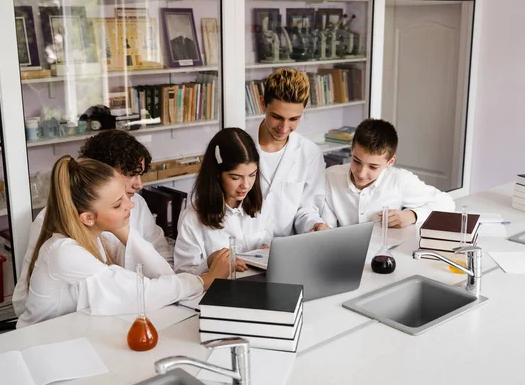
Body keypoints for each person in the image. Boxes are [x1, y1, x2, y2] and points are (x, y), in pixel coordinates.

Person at [16, 156, 230, 328]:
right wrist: (205, 280)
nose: (131, 205)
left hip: (69, 335)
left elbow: (163, 275)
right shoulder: (63, 251)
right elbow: (141, 291)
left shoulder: (96, 236)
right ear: (88, 217)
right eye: (118, 204)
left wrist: (124, 230)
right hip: (36, 344)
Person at [13, 130, 172, 318]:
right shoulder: (56, 224)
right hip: (73, 323)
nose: (139, 184)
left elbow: (162, 260)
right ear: (101, 175)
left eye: (141, 174)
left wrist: (125, 233)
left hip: (129, 309)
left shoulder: (136, 205)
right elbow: (24, 303)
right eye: (130, 174)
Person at [320, 118, 456, 228]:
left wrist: (412, 215)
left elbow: (446, 203)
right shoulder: (330, 177)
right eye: (356, 161)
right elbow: (326, 228)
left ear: (390, 162)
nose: (361, 173)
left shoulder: (400, 180)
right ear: (351, 150)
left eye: (373, 167)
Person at [174, 128, 272, 275]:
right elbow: (183, 275)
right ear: (217, 175)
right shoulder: (191, 219)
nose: (245, 185)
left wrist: (267, 251)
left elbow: (268, 244)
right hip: (217, 292)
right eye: (235, 177)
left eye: (252, 175)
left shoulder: (261, 206)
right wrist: (210, 262)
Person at [255, 68, 328, 237]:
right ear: (262, 104)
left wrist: (314, 224)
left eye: (294, 119)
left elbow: (307, 208)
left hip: (284, 250)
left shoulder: (310, 153)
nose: (284, 127)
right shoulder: (240, 146)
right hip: (243, 252)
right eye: (277, 117)